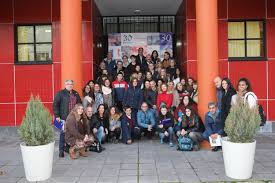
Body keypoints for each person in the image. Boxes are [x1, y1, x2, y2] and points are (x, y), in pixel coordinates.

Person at [53, 80, 82, 158]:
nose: (70, 85)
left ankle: (72, 149)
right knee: (63, 133)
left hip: (74, 117)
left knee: (73, 132)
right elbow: (55, 104)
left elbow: (79, 104)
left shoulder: (76, 93)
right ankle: (61, 151)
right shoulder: (60, 93)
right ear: (65, 85)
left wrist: (80, 115)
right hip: (64, 117)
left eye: (71, 84)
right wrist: (57, 115)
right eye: (68, 84)